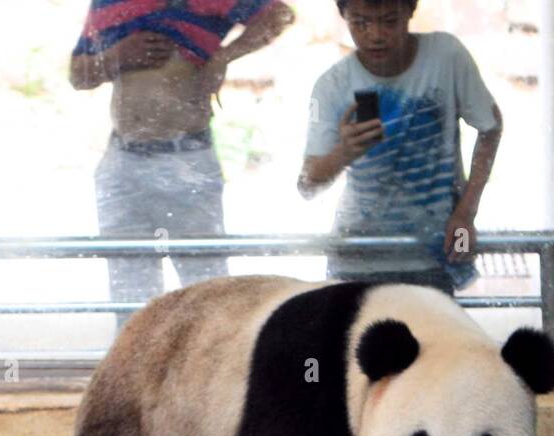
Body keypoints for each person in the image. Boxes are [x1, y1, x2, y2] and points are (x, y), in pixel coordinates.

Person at [69, 0, 294, 320]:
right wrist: (116, 57)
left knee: (205, 289)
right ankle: (139, 353)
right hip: (122, 161)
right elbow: (78, 75)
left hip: (186, 158)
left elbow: (279, 15)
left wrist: (223, 57)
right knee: (129, 292)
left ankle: (207, 353)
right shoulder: (108, 3)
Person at [299, 0, 502, 293]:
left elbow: (491, 126)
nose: (376, 35)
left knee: (437, 324)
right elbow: (307, 186)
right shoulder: (331, 85)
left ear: (409, 12)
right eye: (361, 23)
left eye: (389, 21)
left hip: (435, 252)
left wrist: (466, 213)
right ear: (344, 17)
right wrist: (344, 152)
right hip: (356, 254)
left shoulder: (446, 55)